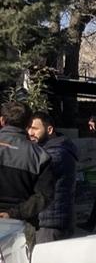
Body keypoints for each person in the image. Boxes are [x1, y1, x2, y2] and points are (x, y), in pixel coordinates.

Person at [0, 101, 53, 236]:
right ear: (28, 123)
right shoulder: (40, 156)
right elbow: (44, 196)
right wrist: (13, 214)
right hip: (19, 228)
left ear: (2, 120)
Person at [28, 112, 79, 243]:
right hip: (47, 221)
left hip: (51, 223)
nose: (30, 132)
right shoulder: (48, 149)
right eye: (28, 128)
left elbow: (32, 171)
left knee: (45, 262)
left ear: (49, 129)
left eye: (35, 129)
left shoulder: (57, 153)